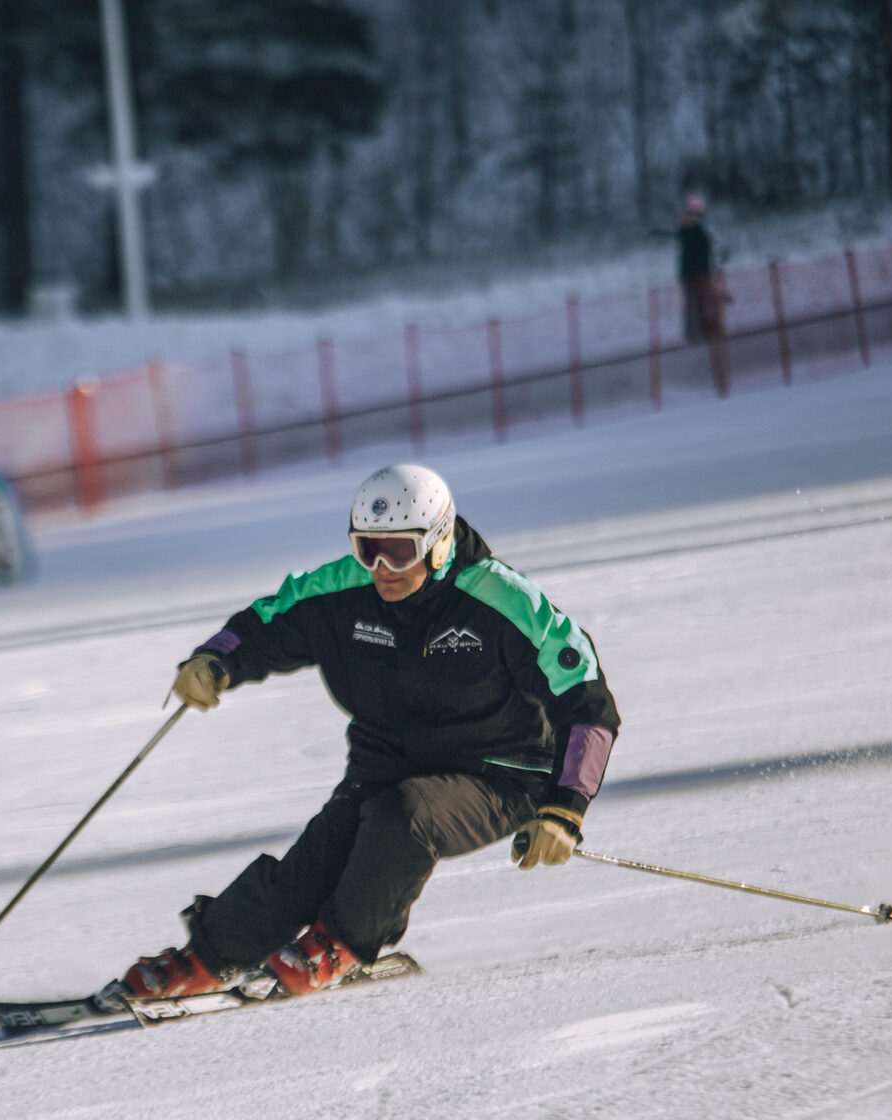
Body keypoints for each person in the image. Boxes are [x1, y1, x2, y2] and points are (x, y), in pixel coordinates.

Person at [105, 464, 620, 1002]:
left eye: (398, 551)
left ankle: (341, 942)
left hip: (501, 775)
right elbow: (269, 621)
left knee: (404, 815)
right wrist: (215, 659)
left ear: (439, 542)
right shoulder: (345, 591)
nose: (380, 568)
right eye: (366, 547)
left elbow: (588, 700)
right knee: (318, 858)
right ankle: (210, 956)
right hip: (386, 765)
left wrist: (565, 807)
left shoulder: (500, 600)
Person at [676, 192, 723, 344]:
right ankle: (704, 331)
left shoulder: (687, 227)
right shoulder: (694, 228)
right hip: (699, 271)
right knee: (703, 301)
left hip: (691, 271)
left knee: (693, 303)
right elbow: (701, 249)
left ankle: (695, 332)